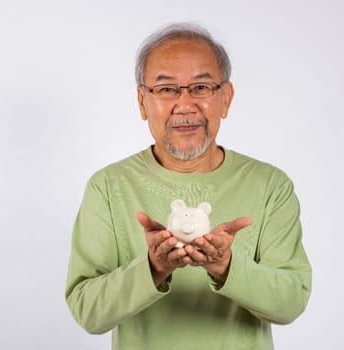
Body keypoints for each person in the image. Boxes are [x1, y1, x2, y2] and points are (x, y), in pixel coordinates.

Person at [65, 23, 312, 350]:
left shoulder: (269, 186)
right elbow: (88, 312)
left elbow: (291, 301)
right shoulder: (109, 187)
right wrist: (155, 267)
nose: (185, 104)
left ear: (225, 98)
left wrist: (225, 266)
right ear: (142, 102)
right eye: (166, 89)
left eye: (201, 87)